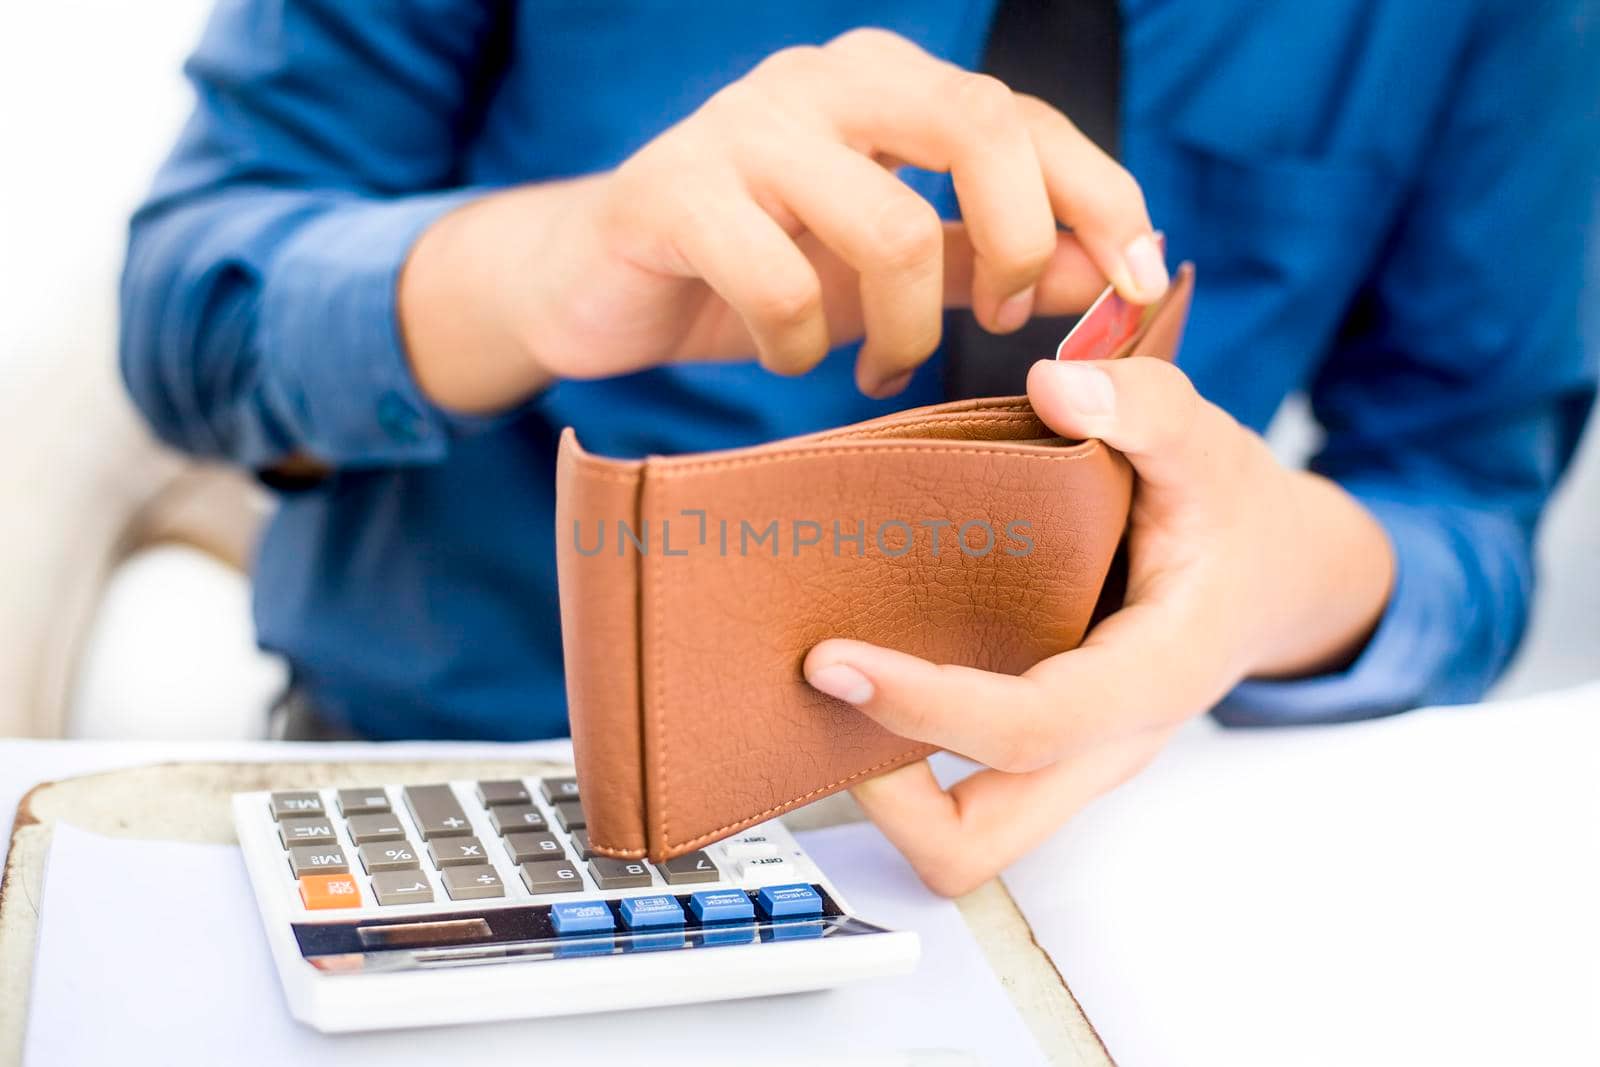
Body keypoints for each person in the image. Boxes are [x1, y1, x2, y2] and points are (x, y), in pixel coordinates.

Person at [121, 2, 1598, 895]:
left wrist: (1277, 572)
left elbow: (1463, 491)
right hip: (466, 806)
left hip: (1101, 867)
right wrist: (547, 267)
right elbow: (189, 308)